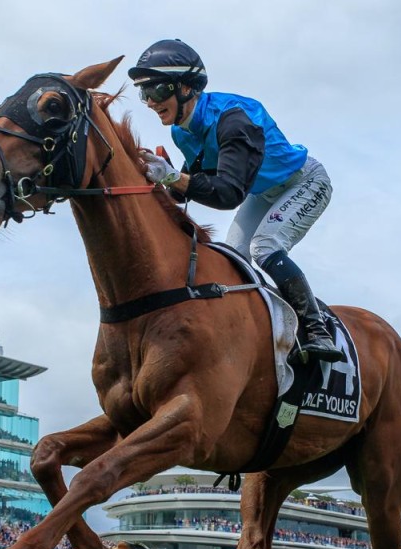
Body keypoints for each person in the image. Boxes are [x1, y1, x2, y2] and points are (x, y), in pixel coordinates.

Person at [129, 39, 344, 363]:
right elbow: (191, 184)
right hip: (262, 192)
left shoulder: (233, 119)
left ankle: (317, 331)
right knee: (232, 259)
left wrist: (172, 177)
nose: (149, 101)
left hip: (304, 181)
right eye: (143, 93)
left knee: (264, 247)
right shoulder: (181, 131)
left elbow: (227, 194)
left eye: (156, 90)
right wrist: (162, 175)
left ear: (186, 87)